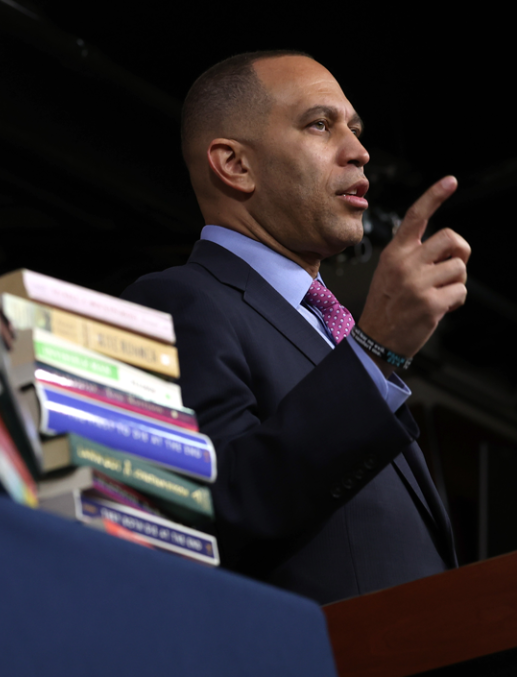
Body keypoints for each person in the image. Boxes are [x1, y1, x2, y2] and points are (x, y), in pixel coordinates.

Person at [121, 51, 470, 605]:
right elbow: (216, 508)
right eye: (320, 124)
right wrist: (376, 350)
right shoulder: (175, 302)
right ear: (234, 164)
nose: (359, 152)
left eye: (355, 129)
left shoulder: (325, 324)